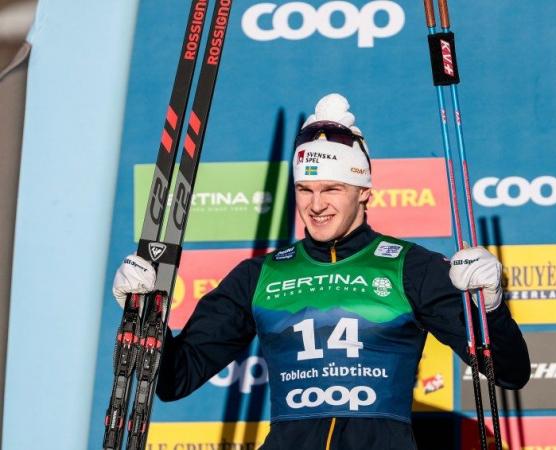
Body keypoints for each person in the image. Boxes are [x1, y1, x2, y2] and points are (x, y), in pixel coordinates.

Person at [113, 93, 530, 450]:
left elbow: (509, 372)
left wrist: (489, 308)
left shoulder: (410, 267)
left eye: (332, 189)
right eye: (305, 189)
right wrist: (147, 315)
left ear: (364, 192)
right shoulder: (259, 276)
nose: (316, 205)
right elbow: (174, 380)